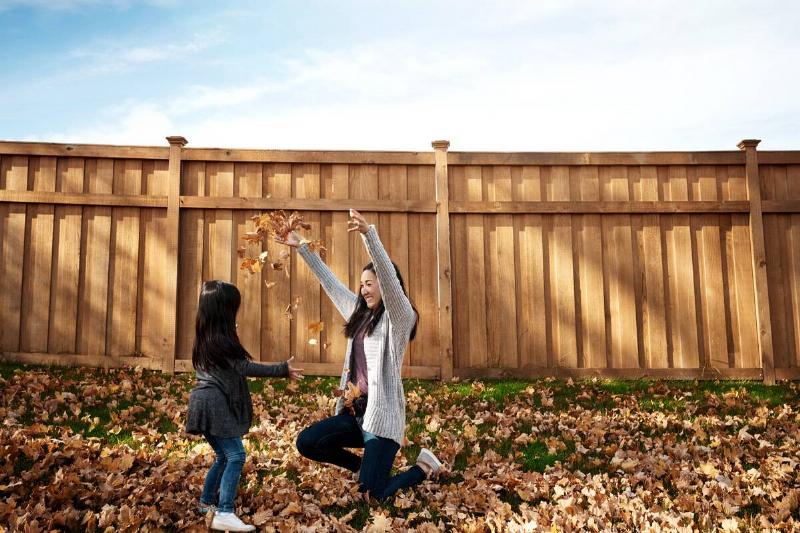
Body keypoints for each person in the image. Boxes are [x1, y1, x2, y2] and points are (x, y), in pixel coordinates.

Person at [279, 209, 442, 503]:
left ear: (384, 285)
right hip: (357, 416)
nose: (364, 289)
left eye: (370, 283)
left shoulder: (401, 318)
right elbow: (330, 283)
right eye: (362, 284)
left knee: (373, 496)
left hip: (383, 423)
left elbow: (391, 284)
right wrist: (301, 246)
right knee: (307, 442)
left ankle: (422, 467)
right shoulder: (359, 314)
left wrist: (370, 236)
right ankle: (365, 469)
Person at [185, 280, 303, 532]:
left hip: (202, 402)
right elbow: (244, 367)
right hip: (214, 404)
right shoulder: (220, 341)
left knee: (222, 456)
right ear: (224, 312)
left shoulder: (207, 336)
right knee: (236, 455)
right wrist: (282, 369)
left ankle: (207, 503)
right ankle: (225, 511)